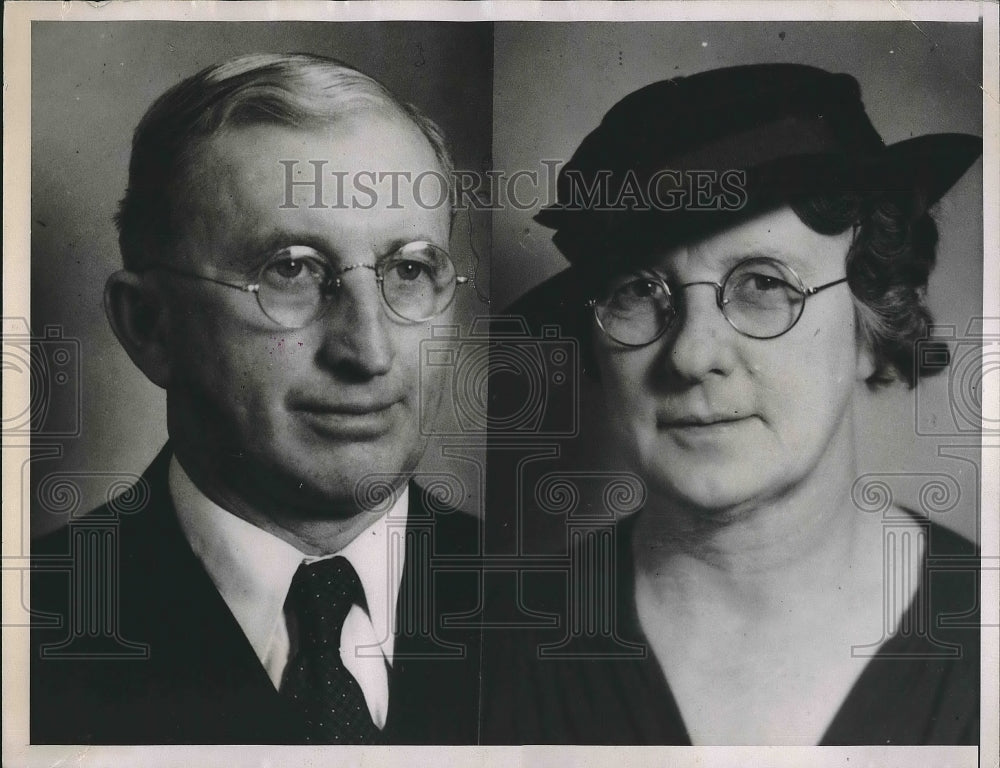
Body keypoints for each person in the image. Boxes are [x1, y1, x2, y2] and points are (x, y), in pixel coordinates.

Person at [484, 64, 981, 745]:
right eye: (637, 290)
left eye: (762, 283)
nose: (691, 355)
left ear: (873, 322)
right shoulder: (494, 652)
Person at [30, 53, 481, 745]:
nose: (369, 350)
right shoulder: (30, 627)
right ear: (150, 325)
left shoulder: (551, 610)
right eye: (292, 270)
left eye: (410, 270)